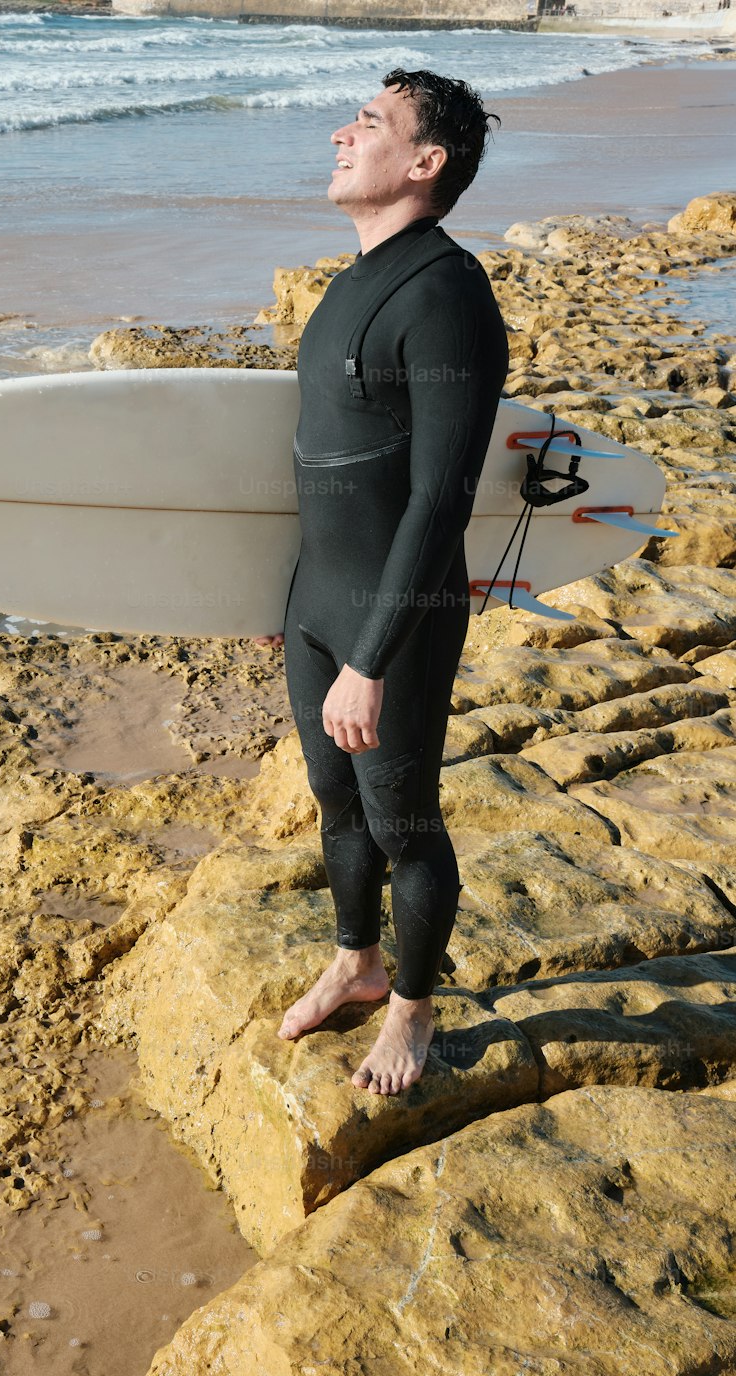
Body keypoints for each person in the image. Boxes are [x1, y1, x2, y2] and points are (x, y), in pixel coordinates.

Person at [253, 69, 509, 1096]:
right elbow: (322, 465)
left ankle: (410, 1014)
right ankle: (356, 963)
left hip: (391, 620)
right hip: (320, 601)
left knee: (404, 821)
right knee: (332, 798)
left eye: (366, 123)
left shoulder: (446, 294)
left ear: (423, 161)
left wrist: (369, 657)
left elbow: (438, 501)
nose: (337, 135)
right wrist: (289, 607)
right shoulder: (353, 277)